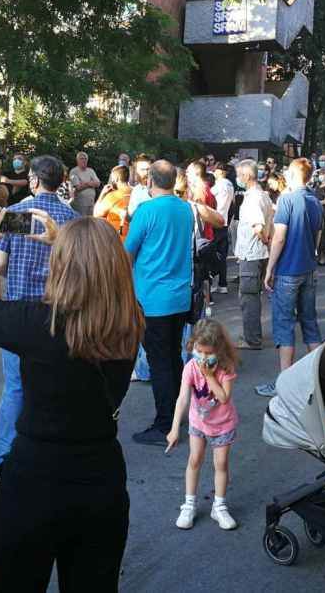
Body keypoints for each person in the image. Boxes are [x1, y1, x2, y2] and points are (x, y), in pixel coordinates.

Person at [0, 211, 142, 592]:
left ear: (61, 266)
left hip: (33, 481)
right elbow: (99, 277)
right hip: (101, 478)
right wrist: (71, 243)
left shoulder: (39, 323)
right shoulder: (129, 321)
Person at [0, 156, 79, 477]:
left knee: (16, 386)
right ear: (60, 180)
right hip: (57, 311)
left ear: (33, 180)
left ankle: (4, 457)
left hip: (20, 311)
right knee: (55, 381)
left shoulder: (18, 214)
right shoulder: (71, 217)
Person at [125, 160, 194, 447]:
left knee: (159, 361)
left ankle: (165, 423)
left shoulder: (146, 210)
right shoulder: (185, 208)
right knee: (173, 357)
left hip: (153, 298)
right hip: (179, 296)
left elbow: (127, 253)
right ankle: (178, 416)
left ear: (151, 181)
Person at [166, 319, 240, 531]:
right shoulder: (190, 367)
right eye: (199, 351)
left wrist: (209, 376)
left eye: (209, 353)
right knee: (195, 459)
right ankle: (188, 504)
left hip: (223, 424)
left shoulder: (226, 368)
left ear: (219, 350)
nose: (203, 358)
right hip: (199, 422)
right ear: (193, 347)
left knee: (221, 464)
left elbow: (224, 397)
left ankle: (219, 506)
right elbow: (182, 399)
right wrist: (173, 429)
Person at [257, 159, 322, 397]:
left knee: (284, 324)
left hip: (288, 270)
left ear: (294, 174)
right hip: (308, 268)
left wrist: (270, 268)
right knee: (309, 322)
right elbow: (317, 234)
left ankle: (284, 383)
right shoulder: (314, 200)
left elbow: (279, 237)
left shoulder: (287, 199)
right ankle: (318, 377)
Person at [232, 160, 273, 351]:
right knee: (252, 295)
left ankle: (252, 339)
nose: (237, 178)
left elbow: (258, 226)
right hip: (257, 253)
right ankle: (252, 334)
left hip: (252, 253)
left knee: (249, 297)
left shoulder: (253, 198)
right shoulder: (262, 195)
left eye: (239, 175)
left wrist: (265, 239)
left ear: (246, 176)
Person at [210, 165, 235, 294]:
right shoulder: (230, 185)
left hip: (215, 222)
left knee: (212, 254)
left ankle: (212, 283)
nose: (214, 172)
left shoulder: (219, 185)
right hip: (224, 222)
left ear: (220, 171)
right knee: (223, 255)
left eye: (215, 170)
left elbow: (208, 194)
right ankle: (223, 284)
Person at [93, 164, 132, 239]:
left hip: (117, 238)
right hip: (133, 237)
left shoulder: (112, 196)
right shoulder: (135, 192)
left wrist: (102, 194)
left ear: (116, 179)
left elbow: (96, 214)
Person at [68, 151, 100, 216]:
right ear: (77, 160)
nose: (84, 160)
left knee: (90, 222)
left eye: (85, 159)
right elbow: (78, 187)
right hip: (80, 204)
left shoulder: (91, 171)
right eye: (81, 158)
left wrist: (85, 183)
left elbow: (98, 183)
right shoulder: (74, 171)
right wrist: (90, 183)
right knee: (81, 223)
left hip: (91, 202)